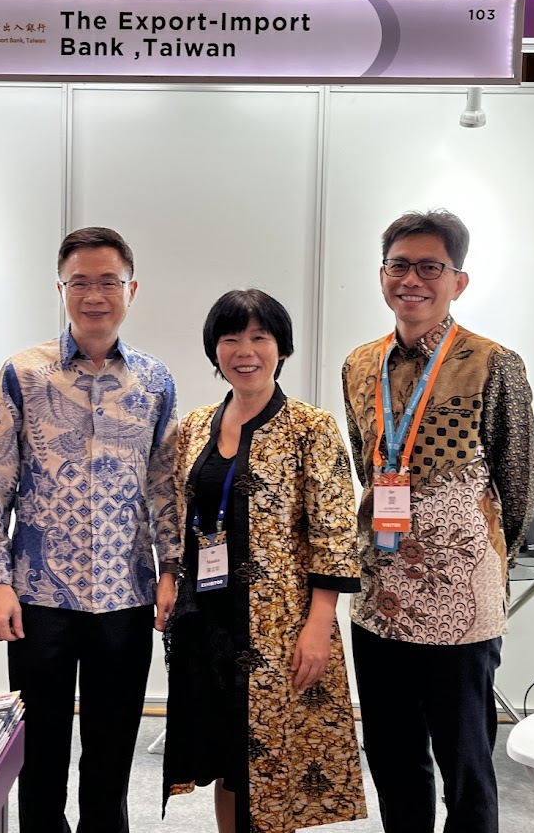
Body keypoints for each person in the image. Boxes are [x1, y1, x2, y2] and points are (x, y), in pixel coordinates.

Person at [0, 226, 180, 833]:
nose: (94, 295)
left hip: (125, 594)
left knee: (112, 751)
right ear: (60, 288)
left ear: (130, 290)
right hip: (39, 596)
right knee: (40, 749)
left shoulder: (155, 380)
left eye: (108, 282)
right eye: (79, 282)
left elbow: (166, 484)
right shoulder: (24, 373)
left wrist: (172, 569)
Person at [341, 209, 534, 833]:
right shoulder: (359, 364)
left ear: (459, 281)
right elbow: (367, 464)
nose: (413, 280)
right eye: (399, 265)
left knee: (466, 764)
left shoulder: (494, 363)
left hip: (461, 602)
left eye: (431, 267)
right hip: (379, 596)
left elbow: (517, 481)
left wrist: (484, 564)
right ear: (381, 275)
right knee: (392, 756)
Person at [163, 289, 367, 833]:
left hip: (280, 626)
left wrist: (319, 626)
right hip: (209, 621)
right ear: (215, 349)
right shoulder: (197, 426)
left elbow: (333, 531)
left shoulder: (310, 427)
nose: (245, 350)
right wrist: (171, 582)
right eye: (231, 338)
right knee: (228, 760)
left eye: (259, 337)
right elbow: (180, 516)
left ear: (282, 347)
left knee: (277, 763)